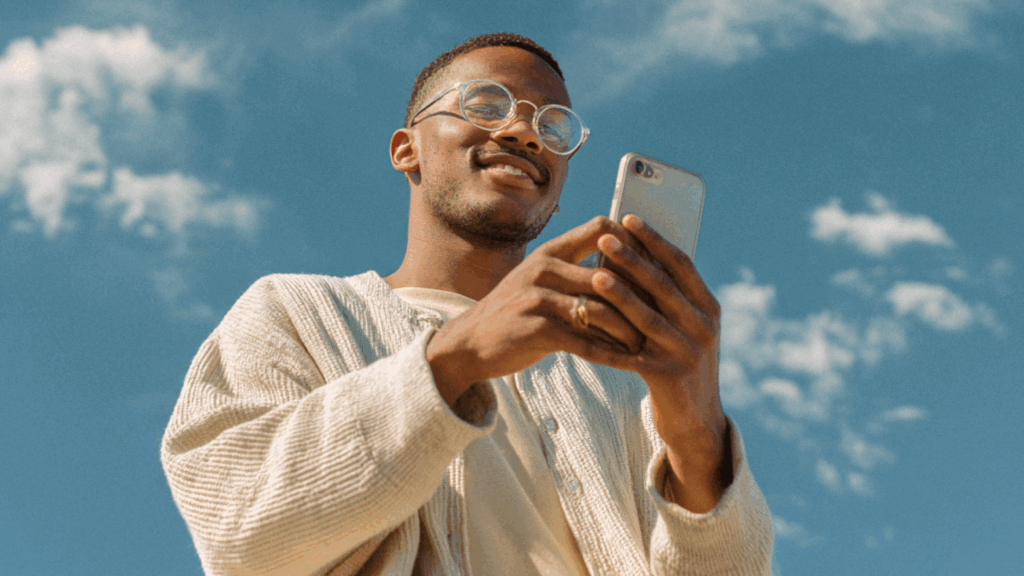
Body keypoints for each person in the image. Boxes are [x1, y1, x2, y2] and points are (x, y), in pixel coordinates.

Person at [161, 32, 774, 576]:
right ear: (408, 149)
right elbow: (240, 535)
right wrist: (457, 355)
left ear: (558, 187)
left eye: (553, 127)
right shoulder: (293, 311)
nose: (523, 131)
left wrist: (698, 434)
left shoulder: (619, 385)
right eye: (486, 105)